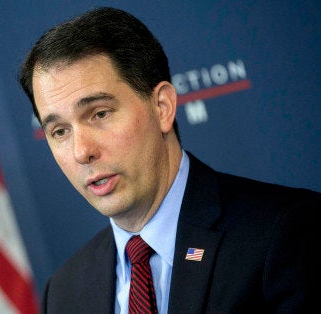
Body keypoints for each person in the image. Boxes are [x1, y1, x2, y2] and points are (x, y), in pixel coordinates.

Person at [18, 7, 320, 314]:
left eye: (100, 114)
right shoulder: (63, 293)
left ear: (162, 107)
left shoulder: (284, 233)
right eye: (59, 131)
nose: (82, 151)